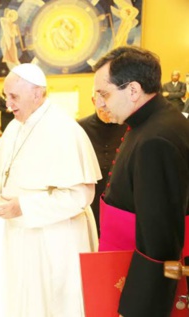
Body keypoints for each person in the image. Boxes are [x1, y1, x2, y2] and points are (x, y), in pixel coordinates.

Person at [0, 63, 101, 317]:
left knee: (54, 302)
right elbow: (19, 172)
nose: (8, 104)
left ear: (37, 93)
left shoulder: (64, 130)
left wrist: (24, 206)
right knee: (25, 299)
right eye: (6, 96)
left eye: (14, 96)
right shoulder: (14, 127)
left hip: (55, 238)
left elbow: (80, 195)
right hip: (22, 235)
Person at [93, 46, 189, 316]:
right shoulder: (151, 123)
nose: (100, 103)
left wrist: (138, 308)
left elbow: (159, 242)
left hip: (144, 286)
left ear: (133, 90)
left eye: (104, 93)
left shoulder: (155, 140)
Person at [78, 95, 127, 236]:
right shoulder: (80, 127)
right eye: (100, 105)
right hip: (91, 194)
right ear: (93, 101)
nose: (105, 110)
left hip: (119, 195)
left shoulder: (126, 125)